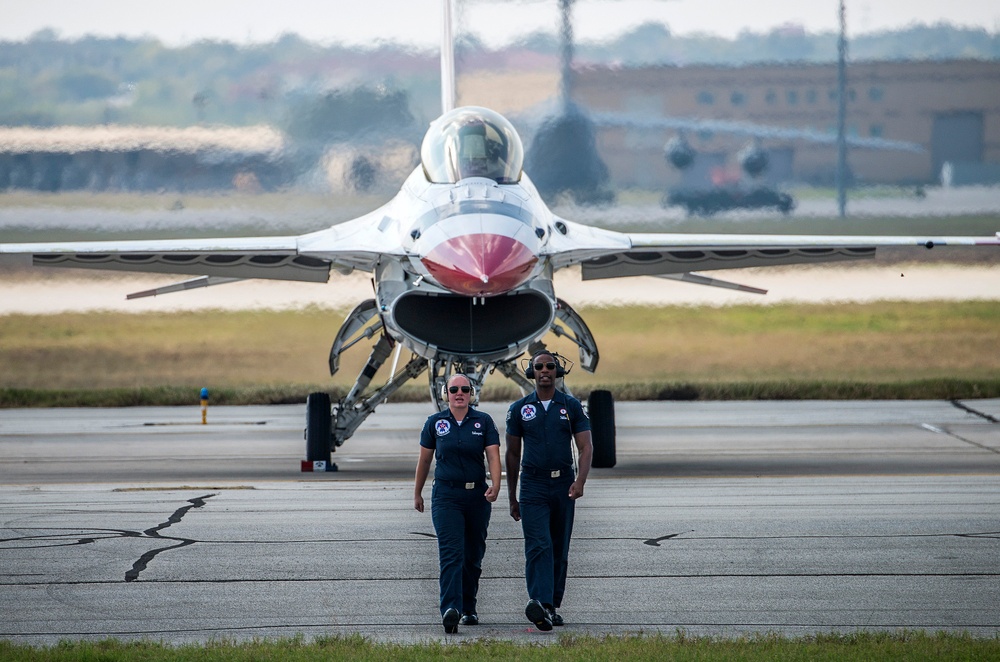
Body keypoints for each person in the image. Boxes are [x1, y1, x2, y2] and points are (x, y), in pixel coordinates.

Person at [505, 351, 593, 631]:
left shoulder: (571, 406)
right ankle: (539, 602)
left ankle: (552, 605)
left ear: (557, 372)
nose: (545, 370)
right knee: (538, 545)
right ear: (531, 372)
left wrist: (580, 481)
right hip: (532, 484)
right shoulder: (519, 409)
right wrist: (511, 496)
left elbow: (586, 447)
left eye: (550, 366)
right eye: (539, 366)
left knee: (559, 547)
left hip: (563, 483)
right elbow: (512, 453)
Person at [414, 374, 502, 634]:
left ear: (471, 393)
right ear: (446, 393)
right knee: (451, 553)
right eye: (454, 389)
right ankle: (450, 610)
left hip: (476, 496)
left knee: (472, 556)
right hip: (446, 496)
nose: (459, 393)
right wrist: (417, 492)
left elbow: (494, 456)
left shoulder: (483, 421)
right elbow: (425, 461)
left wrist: (496, 485)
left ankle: (469, 607)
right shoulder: (435, 423)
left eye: (464, 389)